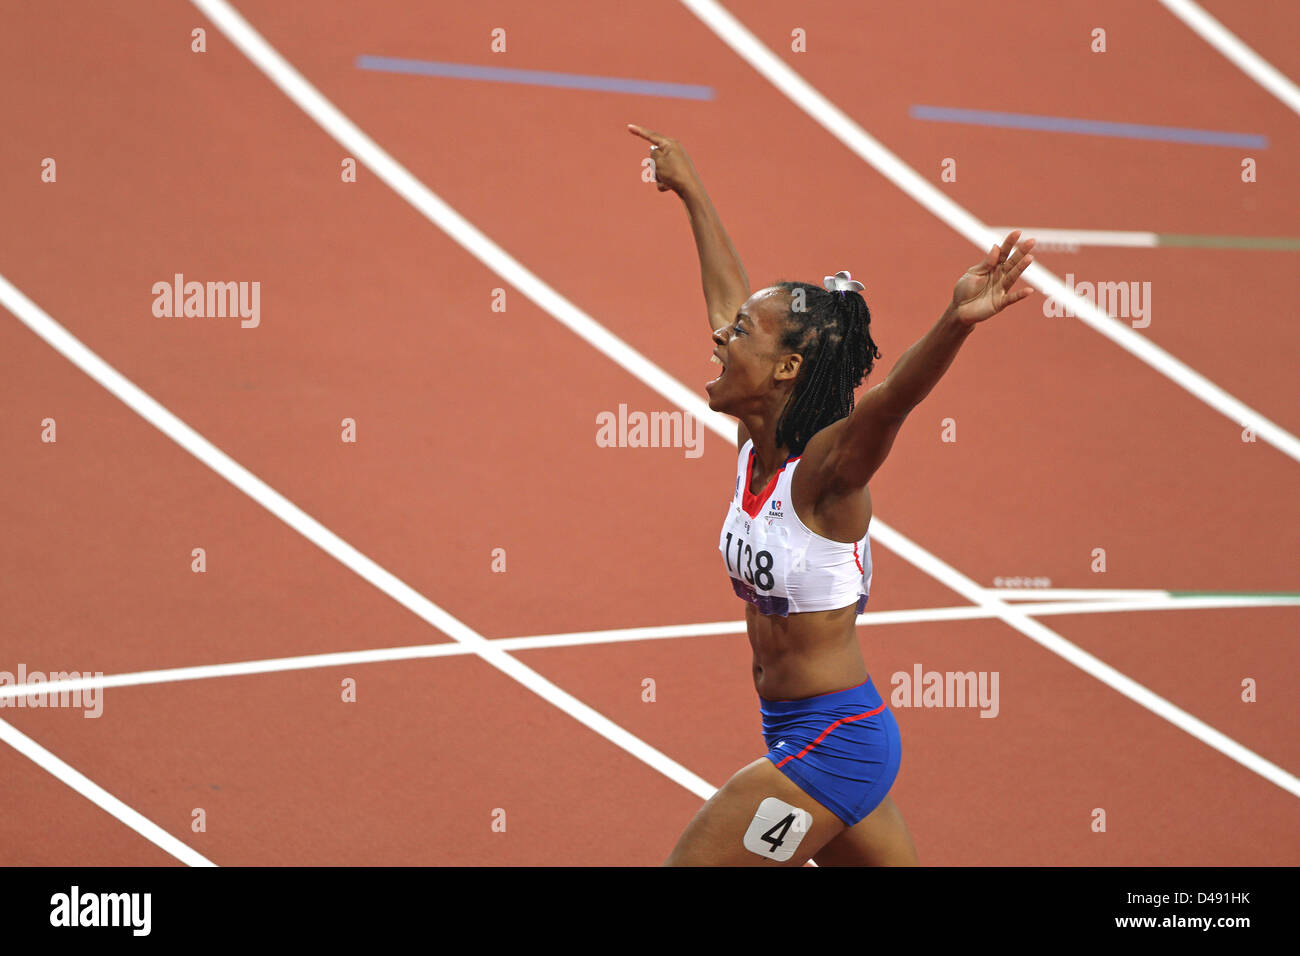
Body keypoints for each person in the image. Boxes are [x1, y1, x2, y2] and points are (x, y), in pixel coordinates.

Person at [628, 124, 1035, 866]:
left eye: (742, 335)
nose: (722, 339)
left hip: (832, 746)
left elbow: (889, 403)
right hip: (795, 729)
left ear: (784, 369)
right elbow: (726, 297)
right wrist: (690, 190)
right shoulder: (755, 446)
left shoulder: (824, 477)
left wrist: (954, 323)